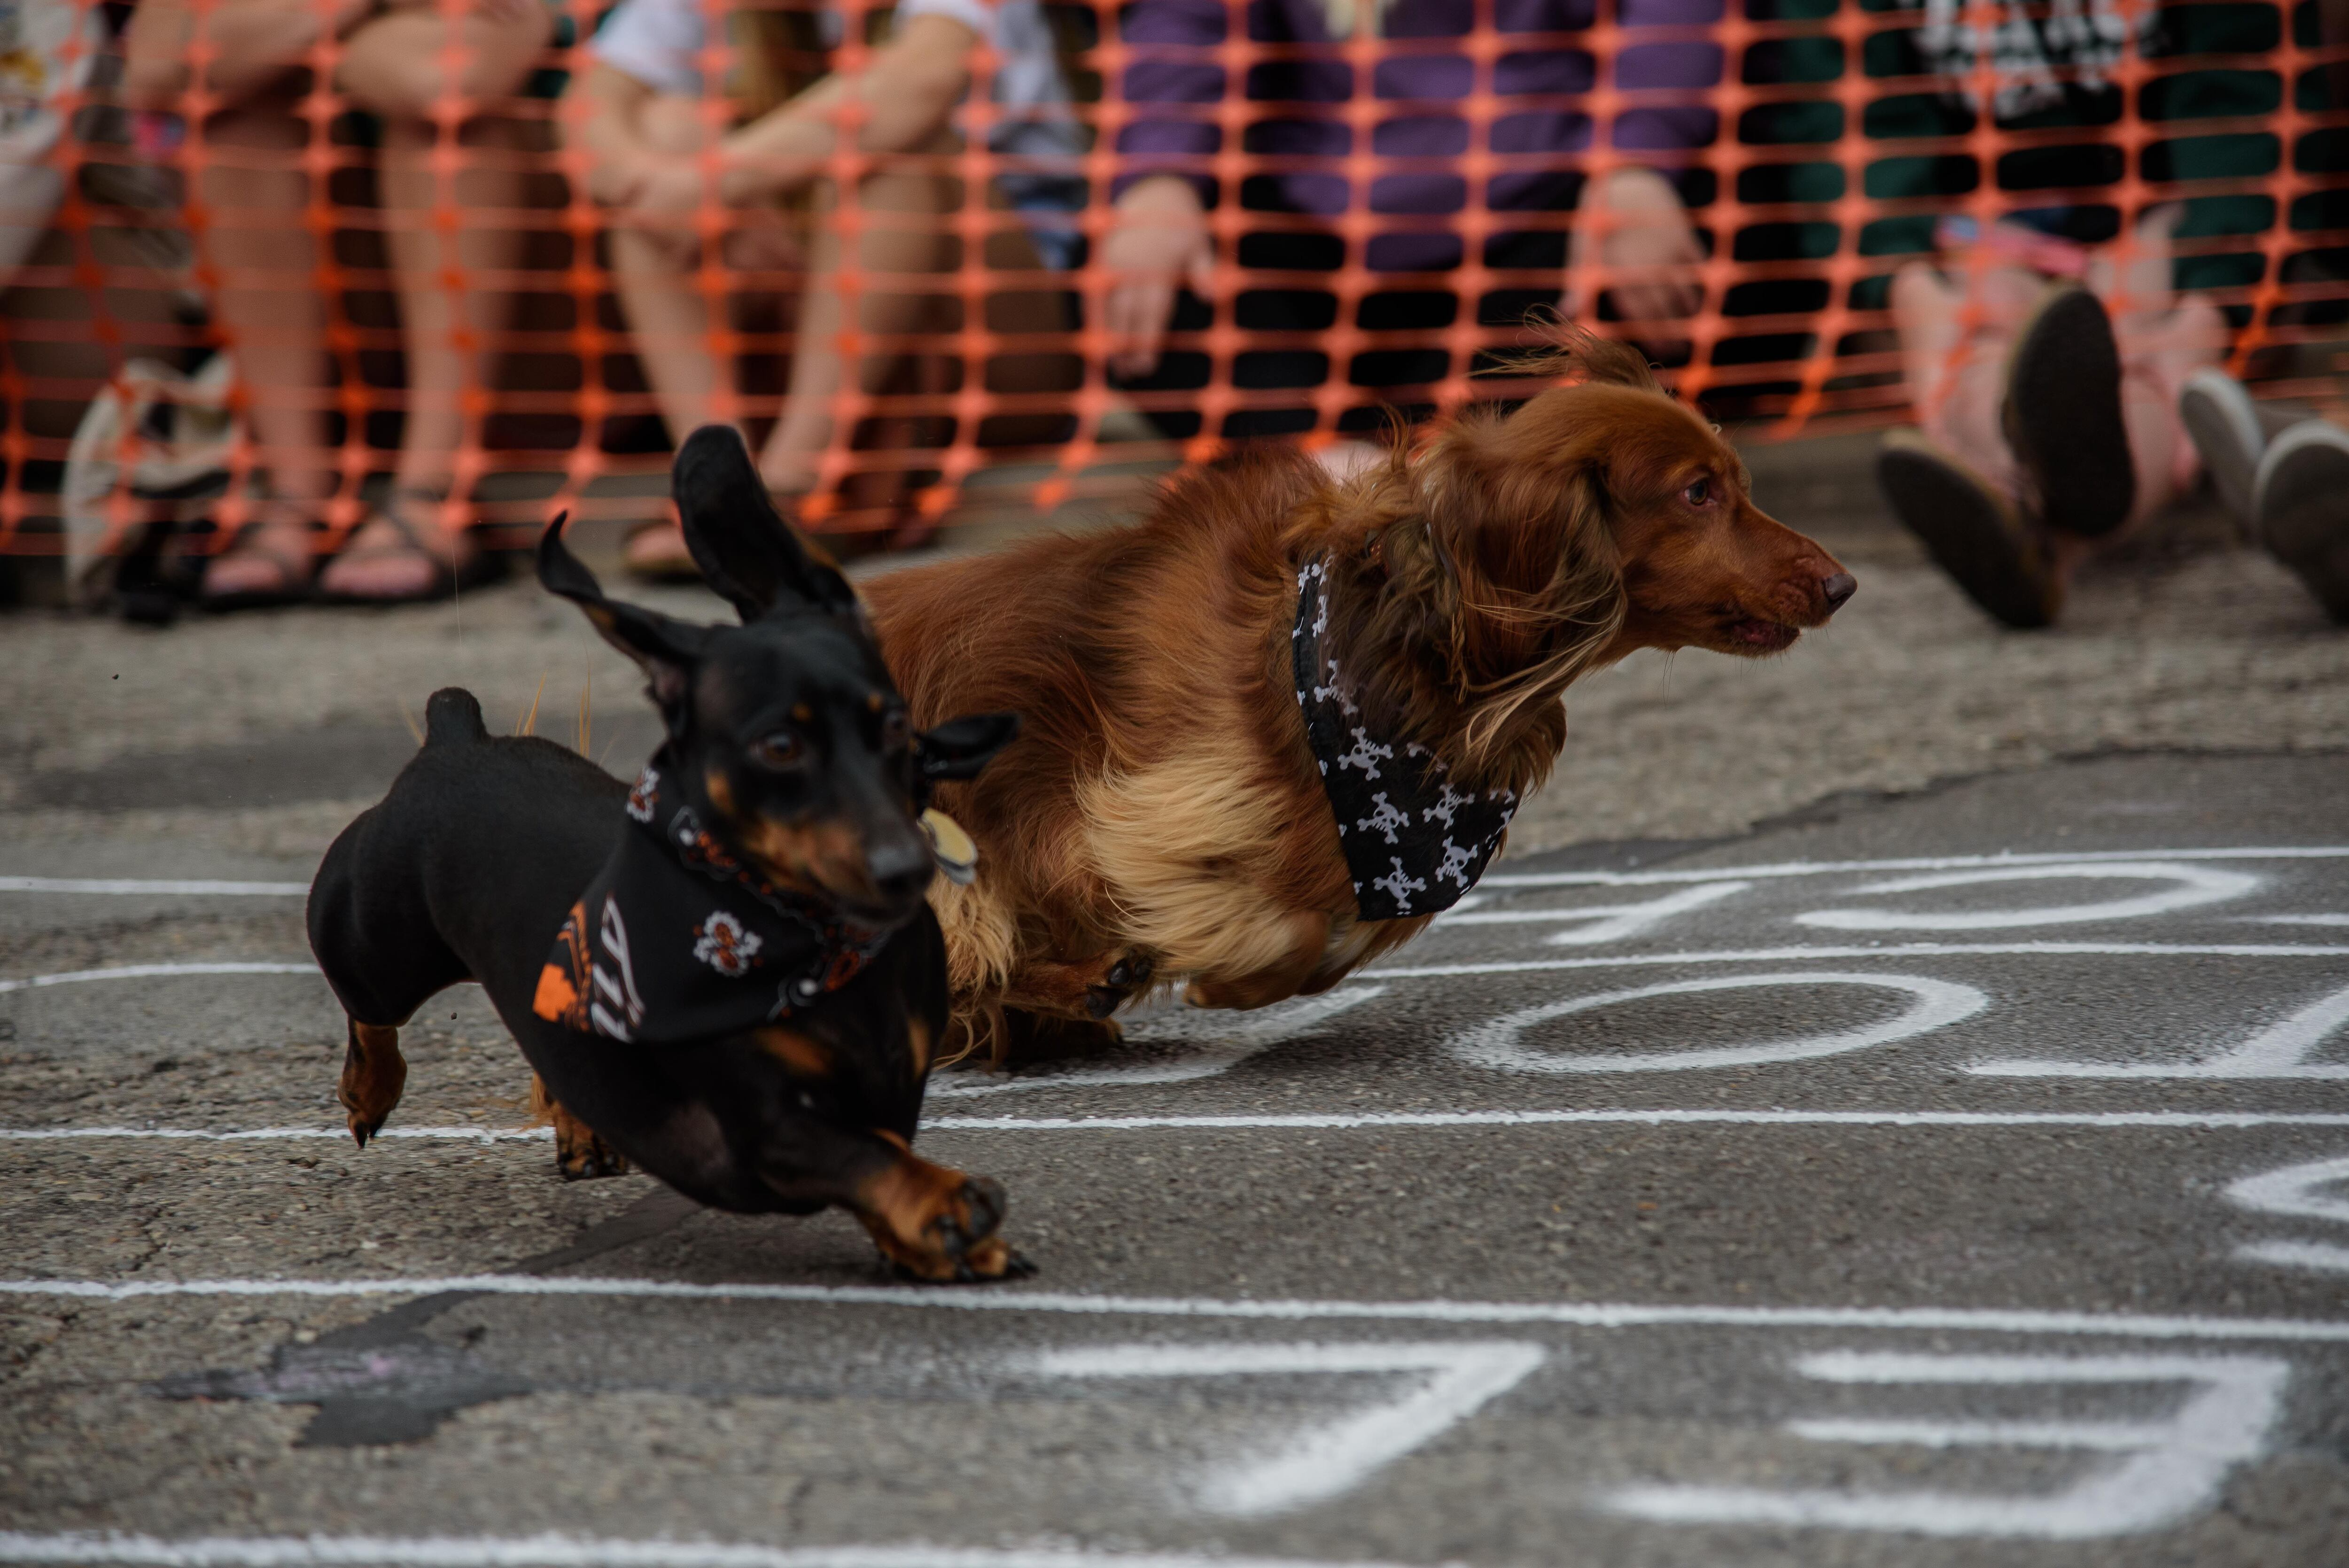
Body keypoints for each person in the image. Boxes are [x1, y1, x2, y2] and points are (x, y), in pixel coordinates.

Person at [570, 0, 1084, 575]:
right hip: (820, 301)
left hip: (1003, 339)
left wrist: (717, 183)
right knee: (668, 128)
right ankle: (715, 476)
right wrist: (663, 189)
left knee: (891, 144)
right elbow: (587, 109)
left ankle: (798, 483)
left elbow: (921, 79)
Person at [122, 0, 554, 605]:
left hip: (549, 356)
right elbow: (154, 67)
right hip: (363, 346)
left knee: (447, 134)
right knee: (237, 126)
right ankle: (299, 496)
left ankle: (433, 491)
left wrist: (284, 40)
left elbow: (446, 80)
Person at [1100, 0, 1719, 414]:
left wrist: (1636, 167)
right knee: (1124, 265)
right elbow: (1188, 21)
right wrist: (1161, 180)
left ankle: (1451, 461)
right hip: (1317, 240)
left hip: (1540, 223)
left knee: (1668, 242)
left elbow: (1672, 16)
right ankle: (1318, 461)